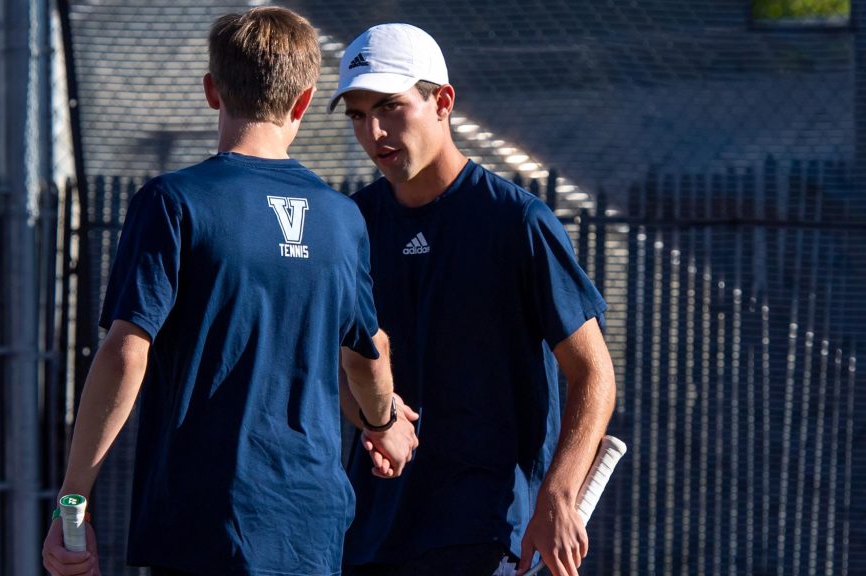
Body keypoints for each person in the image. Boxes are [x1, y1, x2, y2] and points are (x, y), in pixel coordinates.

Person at [41, 8, 418, 576]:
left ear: (212, 90)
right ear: (303, 101)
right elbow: (367, 354)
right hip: (310, 529)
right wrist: (385, 424)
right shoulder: (344, 219)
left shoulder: (173, 202)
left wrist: (73, 501)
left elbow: (126, 353)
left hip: (201, 523)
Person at [328, 23, 617, 576]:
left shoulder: (518, 222)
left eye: (390, 107)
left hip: (488, 534)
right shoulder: (349, 224)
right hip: (371, 535)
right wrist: (376, 420)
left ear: (443, 102)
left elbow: (594, 373)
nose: (374, 131)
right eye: (358, 115)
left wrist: (558, 495)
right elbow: (341, 368)